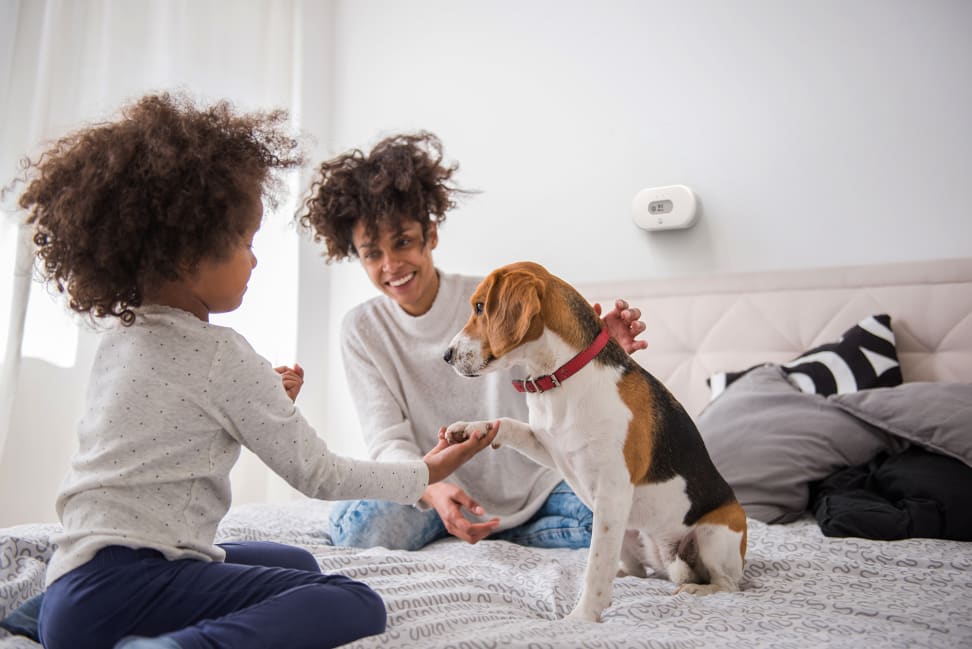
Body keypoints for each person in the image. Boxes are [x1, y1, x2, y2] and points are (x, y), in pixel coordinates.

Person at [14, 94, 497, 649]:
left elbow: (175, 432)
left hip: (74, 587)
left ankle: (39, 616)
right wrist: (427, 472)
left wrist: (265, 402)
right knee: (352, 600)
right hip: (128, 586)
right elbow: (321, 476)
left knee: (293, 561)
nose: (255, 260)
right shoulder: (222, 354)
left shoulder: (124, 338)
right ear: (188, 253)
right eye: (246, 242)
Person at [297, 131, 647, 552]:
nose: (391, 265)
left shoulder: (493, 296)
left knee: (624, 521)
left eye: (403, 242)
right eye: (372, 254)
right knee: (361, 531)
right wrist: (430, 489)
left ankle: (499, 529)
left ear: (430, 235)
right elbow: (388, 439)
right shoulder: (361, 329)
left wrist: (595, 354)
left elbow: (552, 378)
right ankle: (484, 527)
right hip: (430, 482)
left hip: (533, 483)